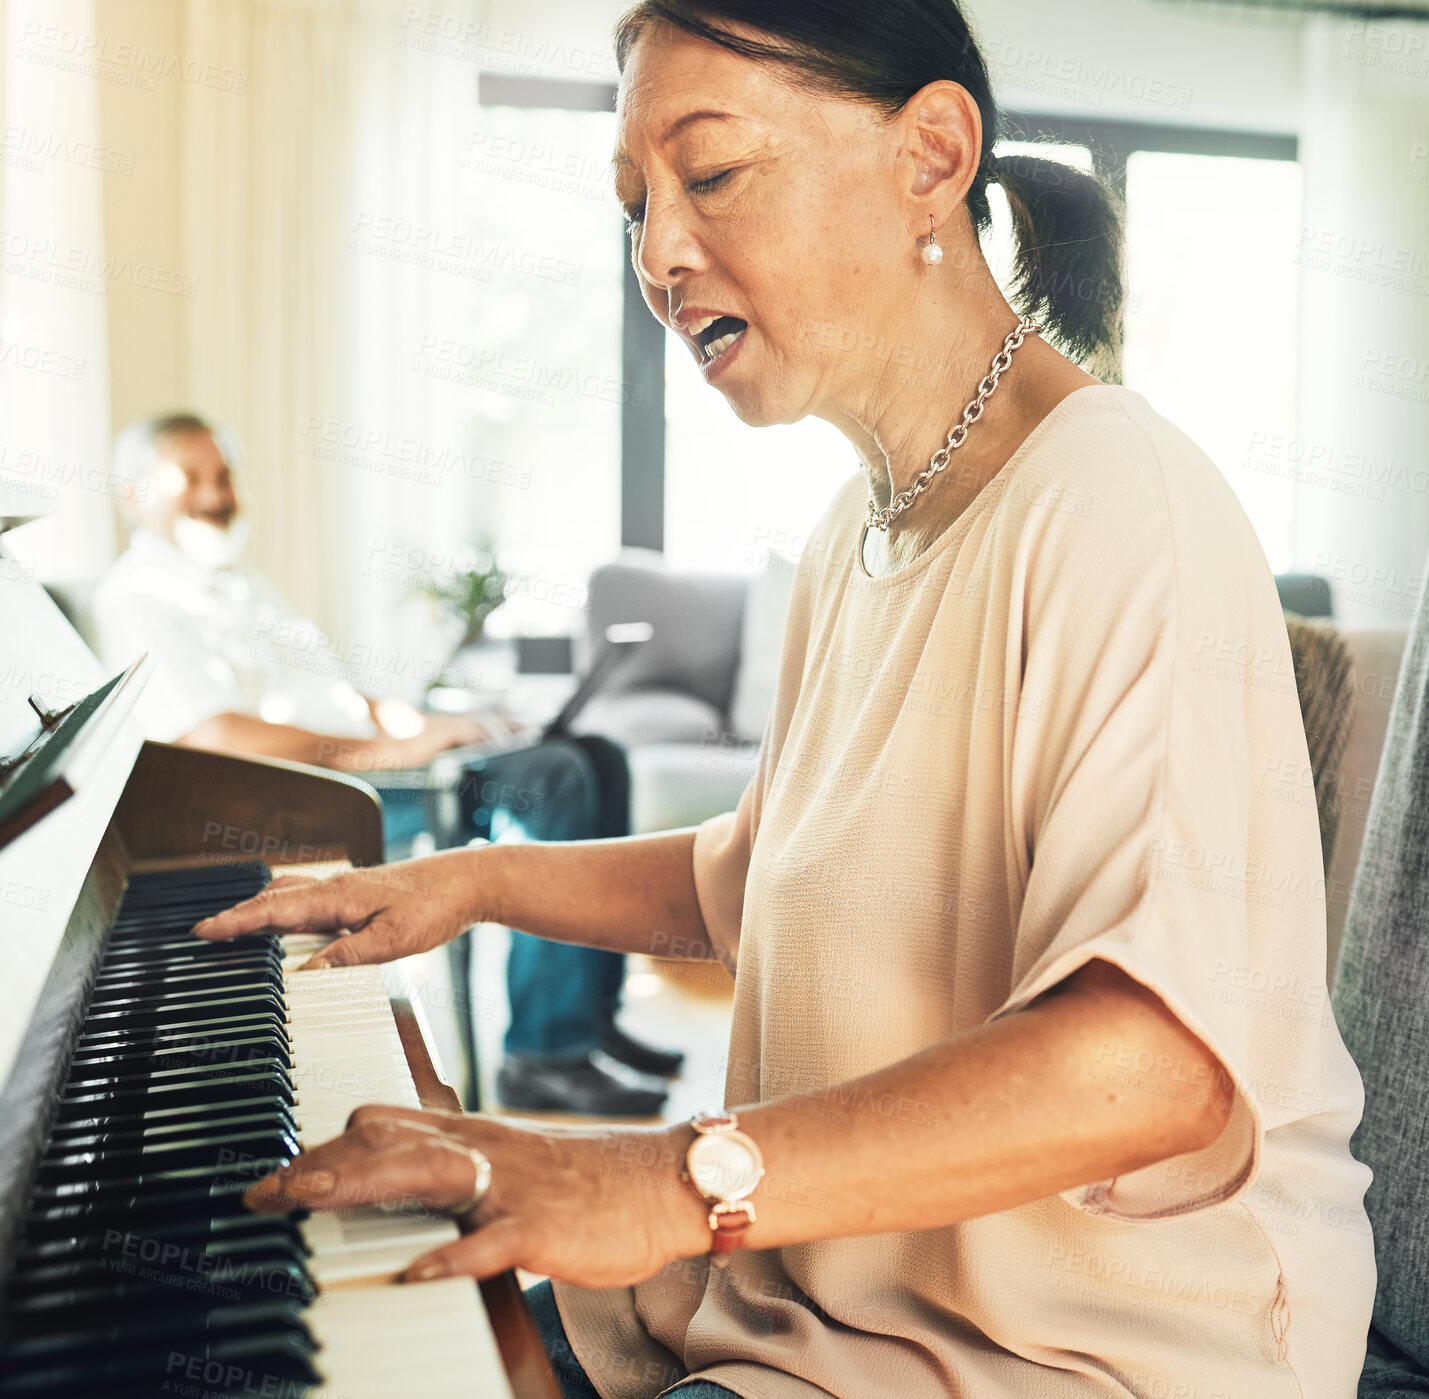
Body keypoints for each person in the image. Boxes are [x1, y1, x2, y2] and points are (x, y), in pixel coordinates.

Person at [190, 2, 1378, 1396]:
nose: (656, 255)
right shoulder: (858, 528)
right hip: (814, 1303)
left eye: (711, 174)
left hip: (1058, 1355)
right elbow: (752, 880)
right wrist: (472, 879)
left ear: (930, 157)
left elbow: (1148, 1066)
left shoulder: (1118, 499)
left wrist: (658, 1174)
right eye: (634, 204)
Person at [94, 412, 683, 1116]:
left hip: (370, 764)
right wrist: (384, 751)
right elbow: (216, 734)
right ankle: (545, 1054)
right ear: (132, 493)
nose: (216, 494)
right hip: (318, 795)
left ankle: (590, 1018)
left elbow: (336, 697)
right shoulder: (138, 597)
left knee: (598, 755)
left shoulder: (237, 581)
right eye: (189, 477)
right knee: (556, 777)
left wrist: (434, 726)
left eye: (222, 475)